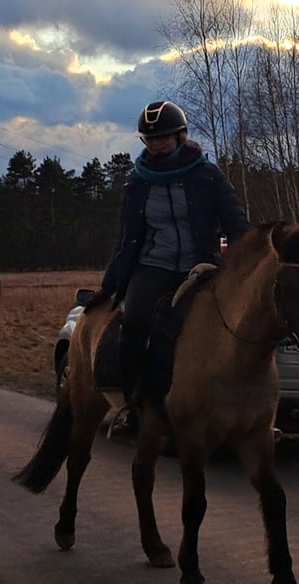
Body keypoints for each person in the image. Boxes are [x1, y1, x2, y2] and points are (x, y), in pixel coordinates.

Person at [85, 100, 250, 434]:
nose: (158, 143)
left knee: (225, 328)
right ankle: (135, 406)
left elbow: (236, 222)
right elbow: (126, 240)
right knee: (134, 324)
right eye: (151, 139)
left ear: (180, 136)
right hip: (153, 265)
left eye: (163, 137)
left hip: (200, 266)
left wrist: (244, 263)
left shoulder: (207, 175)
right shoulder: (137, 183)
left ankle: (241, 406)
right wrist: (109, 286)